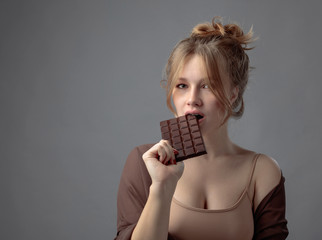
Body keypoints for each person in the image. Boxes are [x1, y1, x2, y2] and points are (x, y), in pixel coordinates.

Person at [115, 17, 288, 240]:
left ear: (233, 94)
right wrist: (161, 187)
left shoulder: (262, 171)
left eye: (207, 86)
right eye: (182, 86)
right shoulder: (144, 163)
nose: (192, 99)